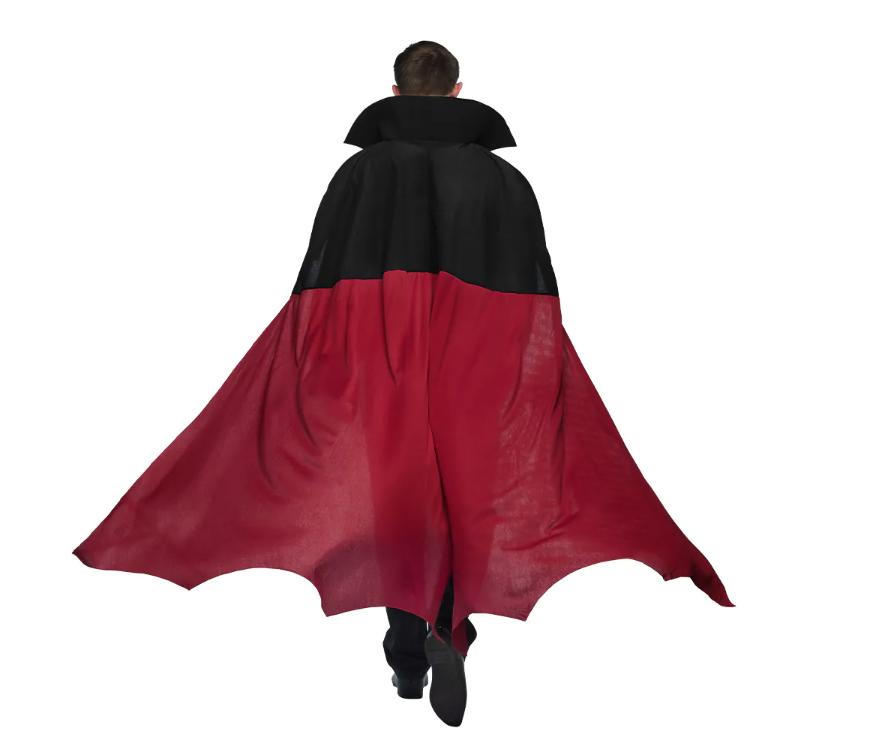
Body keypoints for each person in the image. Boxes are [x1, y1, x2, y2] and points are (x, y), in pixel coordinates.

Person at [72, 40, 734, 729]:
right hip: (479, 367)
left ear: (394, 93)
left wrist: (312, 371)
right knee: (464, 498)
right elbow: (535, 292)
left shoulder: (361, 174)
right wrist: (532, 378)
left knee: (399, 509)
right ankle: (451, 627)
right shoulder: (504, 182)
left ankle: (409, 656)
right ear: (457, 91)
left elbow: (321, 283)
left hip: (382, 365)